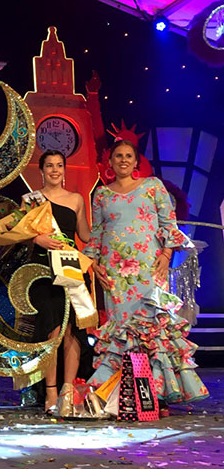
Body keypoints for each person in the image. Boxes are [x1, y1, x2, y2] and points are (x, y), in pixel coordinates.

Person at [85, 139, 209, 415]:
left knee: (152, 327)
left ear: (136, 161)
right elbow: (97, 234)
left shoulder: (153, 186)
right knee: (122, 331)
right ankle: (122, 396)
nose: (123, 160)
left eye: (128, 156)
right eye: (118, 156)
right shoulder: (102, 195)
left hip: (149, 267)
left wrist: (166, 255)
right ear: (110, 161)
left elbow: (168, 224)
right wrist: (93, 264)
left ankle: (157, 395)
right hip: (115, 272)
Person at [25, 150, 93, 415]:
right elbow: (20, 235)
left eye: (59, 165)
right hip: (43, 271)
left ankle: (68, 391)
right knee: (51, 330)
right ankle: (50, 390)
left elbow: (85, 234)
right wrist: (36, 239)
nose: (55, 170)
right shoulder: (31, 200)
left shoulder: (76, 199)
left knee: (72, 330)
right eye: (50, 166)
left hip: (71, 268)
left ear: (64, 169)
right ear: (41, 170)